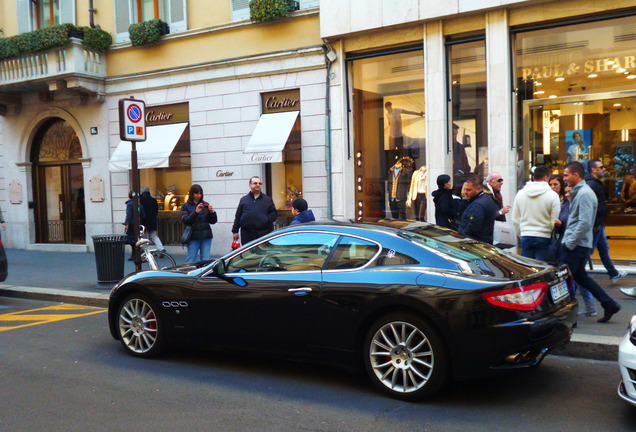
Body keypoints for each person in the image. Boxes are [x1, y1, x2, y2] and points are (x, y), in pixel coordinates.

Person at [560, 161, 621, 323]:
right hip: (577, 244)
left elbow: (585, 222)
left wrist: (569, 243)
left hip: (576, 245)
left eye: (566, 175)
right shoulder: (580, 192)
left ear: (576, 175)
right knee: (580, 277)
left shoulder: (585, 193)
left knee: (566, 281)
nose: (564, 178)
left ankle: (570, 318)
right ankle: (609, 304)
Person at [586, 159, 627, 283]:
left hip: (598, 223)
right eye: (601, 167)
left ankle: (613, 273)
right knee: (586, 251)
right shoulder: (592, 185)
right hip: (595, 224)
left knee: (603, 248)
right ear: (594, 169)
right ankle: (576, 275)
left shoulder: (596, 183)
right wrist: (595, 223)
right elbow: (592, 206)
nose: (604, 169)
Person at [510, 165, 561, 260]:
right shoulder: (553, 195)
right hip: (544, 236)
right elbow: (554, 219)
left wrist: (521, 233)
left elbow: (515, 218)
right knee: (541, 268)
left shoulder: (521, 194)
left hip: (526, 235)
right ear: (546, 177)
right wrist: (549, 232)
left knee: (528, 268)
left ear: (533, 177)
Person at [232, 176, 277, 246]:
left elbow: (274, 214)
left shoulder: (268, 200)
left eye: (260, 183)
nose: (258, 185)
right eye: (255, 183)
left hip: (263, 234)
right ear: (250, 185)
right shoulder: (243, 200)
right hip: (247, 235)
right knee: (248, 255)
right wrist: (235, 231)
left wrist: (266, 219)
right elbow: (238, 216)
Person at [180, 184, 218, 263]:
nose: (198, 195)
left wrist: (212, 212)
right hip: (193, 237)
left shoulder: (205, 204)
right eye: (196, 193)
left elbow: (213, 221)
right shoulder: (185, 206)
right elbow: (186, 221)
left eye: (200, 193)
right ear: (192, 193)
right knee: (190, 261)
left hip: (206, 236)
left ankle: (203, 275)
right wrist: (195, 212)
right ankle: (189, 275)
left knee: (205, 260)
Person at [458, 175, 499, 244]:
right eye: (465, 189)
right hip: (485, 241)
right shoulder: (487, 198)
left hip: (475, 244)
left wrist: (463, 236)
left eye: (468, 190)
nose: (465, 192)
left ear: (478, 189)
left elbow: (473, 226)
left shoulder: (477, 204)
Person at [140, 186, 164, 252]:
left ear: (142, 191)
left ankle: (145, 250)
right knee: (153, 235)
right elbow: (156, 211)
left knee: (143, 237)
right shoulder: (153, 200)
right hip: (152, 220)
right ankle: (161, 248)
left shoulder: (140, 200)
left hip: (143, 221)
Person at [124, 191, 146, 261]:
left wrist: (126, 223)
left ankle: (135, 254)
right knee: (137, 238)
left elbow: (129, 214)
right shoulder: (139, 204)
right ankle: (137, 253)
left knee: (131, 239)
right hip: (138, 223)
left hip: (132, 223)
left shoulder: (130, 204)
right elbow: (143, 215)